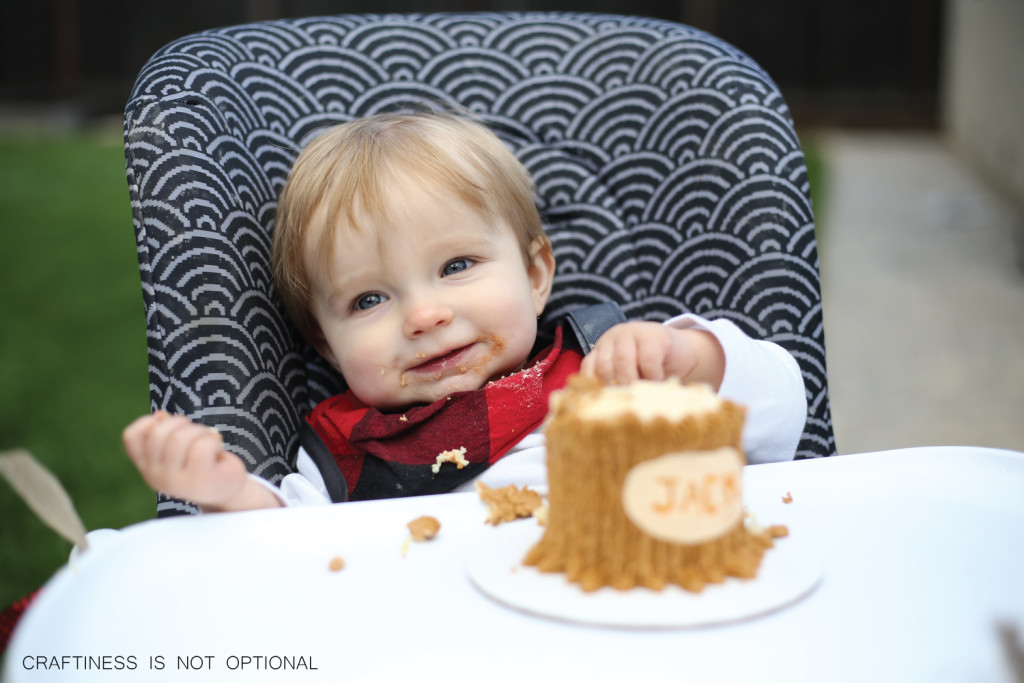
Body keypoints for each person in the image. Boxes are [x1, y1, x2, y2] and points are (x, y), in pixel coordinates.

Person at [122, 111, 806, 513]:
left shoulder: (611, 364)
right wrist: (232, 494)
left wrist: (698, 362)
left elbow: (783, 416)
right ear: (326, 348)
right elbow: (292, 552)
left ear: (537, 273)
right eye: (368, 299)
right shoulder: (347, 456)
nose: (423, 315)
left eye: (455, 267)